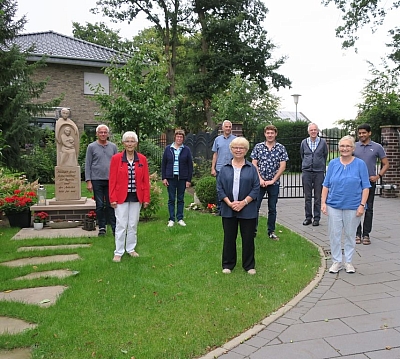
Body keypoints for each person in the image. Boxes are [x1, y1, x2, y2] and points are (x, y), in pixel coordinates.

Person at [321, 135, 370, 274]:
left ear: (353, 148)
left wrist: (362, 205)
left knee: (350, 234)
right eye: (342, 146)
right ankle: (336, 262)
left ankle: (348, 262)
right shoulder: (333, 164)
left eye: (348, 146)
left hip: (353, 206)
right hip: (333, 205)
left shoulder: (360, 164)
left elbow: (366, 187)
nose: (345, 148)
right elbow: (326, 184)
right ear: (338, 148)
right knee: (334, 235)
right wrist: (323, 203)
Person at [217, 137, 260, 275]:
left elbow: (256, 188)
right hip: (228, 209)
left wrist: (243, 203)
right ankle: (228, 264)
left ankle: (249, 266)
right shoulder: (224, 169)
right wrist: (230, 203)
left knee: (248, 238)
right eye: (235, 147)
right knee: (229, 237)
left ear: (246, 150)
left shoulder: (251, 168)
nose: (238, 150)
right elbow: (220, 188)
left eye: (241, 148)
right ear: (231, 150)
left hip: (248, 209)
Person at [109, 131, 150, 263]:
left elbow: (145, 180)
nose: (130, 144)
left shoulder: (142, 159)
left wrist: (146, 198)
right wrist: (112, 198)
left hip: (136, 197)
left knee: (133, 224)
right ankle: (118, 251)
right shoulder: (116, 159)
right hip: (121, 196)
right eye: (127, 141)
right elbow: (112, 180)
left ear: (136, 143)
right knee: (121, 224)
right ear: (123, 143)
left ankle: (131, 249)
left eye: (132, 141)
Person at [251, 125, 289, 240]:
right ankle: (252, 231)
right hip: (259, 183)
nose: (270, 135)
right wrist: (260, 179)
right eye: (268, 133)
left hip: (274, 184)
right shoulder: (258, 147)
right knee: (255, 207)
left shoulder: (281, 148)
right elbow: (254, 164)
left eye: (272, 133)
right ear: (265, 134)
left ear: (275, 134)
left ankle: (271, 231)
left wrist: (273, 180)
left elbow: (283, 166)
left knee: (272, 208)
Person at [353, 123, 389, 245]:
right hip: (355, 183)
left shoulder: (377, 147)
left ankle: (366, 234)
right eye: (360, 133)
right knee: (355, 208)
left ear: (369, 133)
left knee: (369, 208)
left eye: (364, 133)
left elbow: (386, 164)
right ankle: (357, 234)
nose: (362, 135)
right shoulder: (354, 146)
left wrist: (378, 176)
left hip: (369, 182)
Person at [85, 125, 118, 237]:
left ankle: (114, 227)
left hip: (111, 180)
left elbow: (117, 164)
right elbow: (88, 164)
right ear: (97, 134)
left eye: (105, 132)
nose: (103, 134)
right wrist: (88, 180)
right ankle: (102, 227)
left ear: (108, 134)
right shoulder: (91, 147)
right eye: (101, 132)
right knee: (99, 205)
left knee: (111, 204)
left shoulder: (113, 147)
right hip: (96, 179)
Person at [161, 129, 193, 227]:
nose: (179, 138)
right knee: (171, 199)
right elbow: (164, 164)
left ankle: (180, 218)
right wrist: (164, 178)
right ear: (174, 137)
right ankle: (171, 219)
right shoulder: (168, 149)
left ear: (183, 139)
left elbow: (190, 166)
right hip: (170, 177)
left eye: (181, 137)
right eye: (177, 137)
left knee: (180, 199)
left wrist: (188, 180)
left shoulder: (186, 150)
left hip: (182, 178)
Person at [300, 123, 328, 227]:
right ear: (308, 131)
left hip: (318, 172)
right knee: (307, 196)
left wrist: (319, 165)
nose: (313, 132)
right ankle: (308, 217)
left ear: (317, 131)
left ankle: (317, 218)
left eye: (315, 130)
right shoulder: (304, 142)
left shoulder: (323, 142)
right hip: (306, 171)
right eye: (311, 130)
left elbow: (325, 155)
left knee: (318, 196)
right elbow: (302, 155)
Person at [211, 120, 236, 212]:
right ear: (222, 128)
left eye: (229, 127)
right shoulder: (217, 140)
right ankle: (220, 209)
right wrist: (213, 168)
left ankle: (231, 207)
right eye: (226, 126)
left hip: (232, 168)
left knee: (231, 188)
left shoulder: (235, 140)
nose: (228, 128)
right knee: (220, 189)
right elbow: (215, 154)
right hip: (219, 169)